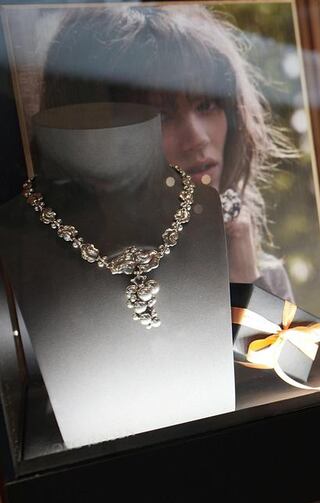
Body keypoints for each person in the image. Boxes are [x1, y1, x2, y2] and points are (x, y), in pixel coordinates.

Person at [38, 5, 294, 299]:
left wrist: (245, 282)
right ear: (98, 136)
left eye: (206, 104)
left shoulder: (263, 274)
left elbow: (271, 345)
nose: (197, 139)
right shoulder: (56, 287)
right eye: (161, 116)